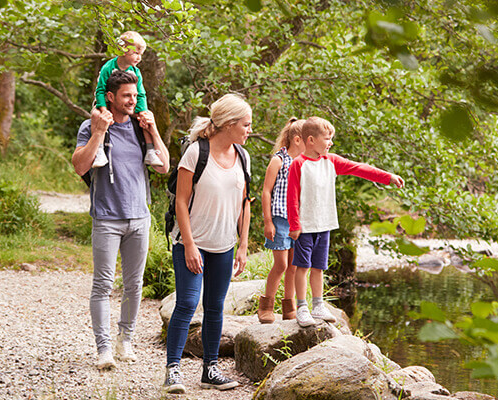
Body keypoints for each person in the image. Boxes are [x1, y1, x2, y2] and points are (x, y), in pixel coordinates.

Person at [72, 70, 170, 370]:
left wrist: (153, 131)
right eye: (126, 96)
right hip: (106, 218)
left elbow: (165, 167)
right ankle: (103, 349)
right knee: (102, 285)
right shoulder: (90, 126)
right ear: (111, 97)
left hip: (139, 217)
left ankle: (125, 339)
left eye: (135, 95)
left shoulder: (141, 129)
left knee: (134, 284)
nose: (133, 100)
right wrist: (100, 132)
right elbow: (79, 166)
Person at [163, 94, 252, 394]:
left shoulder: (243, 156)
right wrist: (188, 245)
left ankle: (209, 371)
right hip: (192, 241)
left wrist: (243, 245)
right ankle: (173, 371)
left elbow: (245, 202)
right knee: (188, 303)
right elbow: (182, 202)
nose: (249, 130)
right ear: (228, 124)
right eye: (246, 124)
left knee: (215, 307)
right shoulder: (195, 153)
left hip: (225, 245)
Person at [286, 116, 404, 327]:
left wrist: (388, 177)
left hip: (325, 224)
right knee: (302, 266)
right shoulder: (298, 164)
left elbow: (359, 168)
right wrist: (294, 225)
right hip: (305, 226)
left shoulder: (331, 161)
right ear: (311, 140)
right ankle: (302, 307)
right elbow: (292, 196)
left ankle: (318, 305)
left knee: (318, 267)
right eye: (327, 138)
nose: (330, 142)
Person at [257, 118, 306, 324]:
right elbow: (266, 192)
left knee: (294, 265)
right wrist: (268, 221)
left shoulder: (305, 161)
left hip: (298, 221)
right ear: (297, 139)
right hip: (279, 220)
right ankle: (266, 306)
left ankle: (289, 307)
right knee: (281, 264)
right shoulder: (279, 160)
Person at [91, 31, 163, 169]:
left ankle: (150, 150)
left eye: (141, 54)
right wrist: (104, 110)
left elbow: (141, 94)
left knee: (146, 118)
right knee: (96, 115)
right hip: (106, 103)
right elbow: (100, 90)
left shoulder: (136, 72)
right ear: (122, 50)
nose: (139, 58)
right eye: (135, 53)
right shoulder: (108, 67)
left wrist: (142, 111)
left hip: (128, 104)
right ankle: (99, 150)